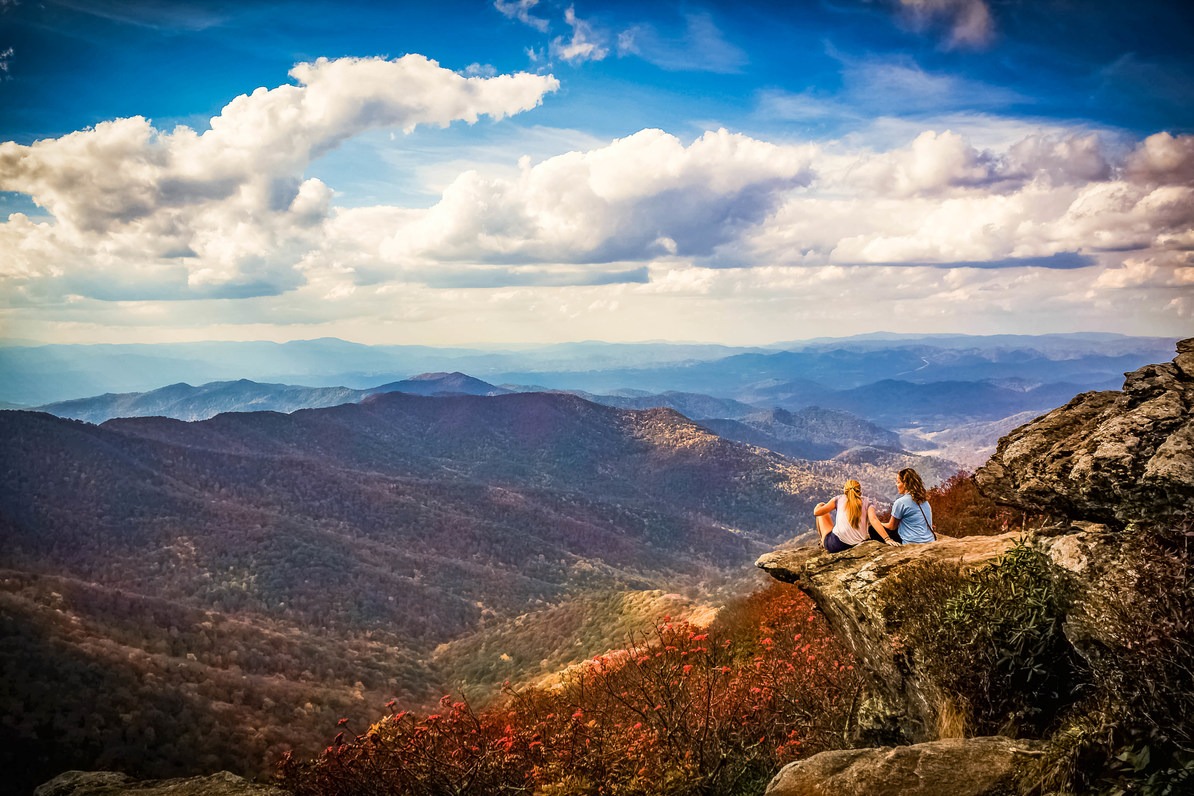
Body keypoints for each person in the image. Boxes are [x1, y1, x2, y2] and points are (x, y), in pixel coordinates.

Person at [814, 479, 900, 553]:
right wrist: (887, 539)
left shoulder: (838, 499)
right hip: (857, 543)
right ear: (860, 491)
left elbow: (817, 513)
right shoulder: (868, 503)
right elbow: (874, 520)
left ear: (845, 490)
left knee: (820, 505)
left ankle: (822, 541)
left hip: (837, 544)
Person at [882, 467, 937, 544]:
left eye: (898, 482)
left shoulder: (900, 502)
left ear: (905, 484)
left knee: (872, 529)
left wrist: (878, 524)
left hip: (911, 542)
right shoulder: (924, 501)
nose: (896, 485)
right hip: (930, 540)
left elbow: (891, 526)